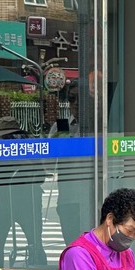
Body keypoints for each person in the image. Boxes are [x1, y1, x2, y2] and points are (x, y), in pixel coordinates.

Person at [0, 116, 47, 268]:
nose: (8, 142)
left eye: (12, 137)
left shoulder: (28, 148)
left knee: (35, 244)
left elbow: (40, 176)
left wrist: (26, 164)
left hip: (29, 204)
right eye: (4, 138)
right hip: (1, 205)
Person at [48, 80, 81, 244]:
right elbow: (48, 165)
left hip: (94, 198)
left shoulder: (100, 127)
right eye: (71, 99)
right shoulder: (61, 127)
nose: (75, 104)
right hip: (68, 199)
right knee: (72, 247)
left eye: (79, 99)